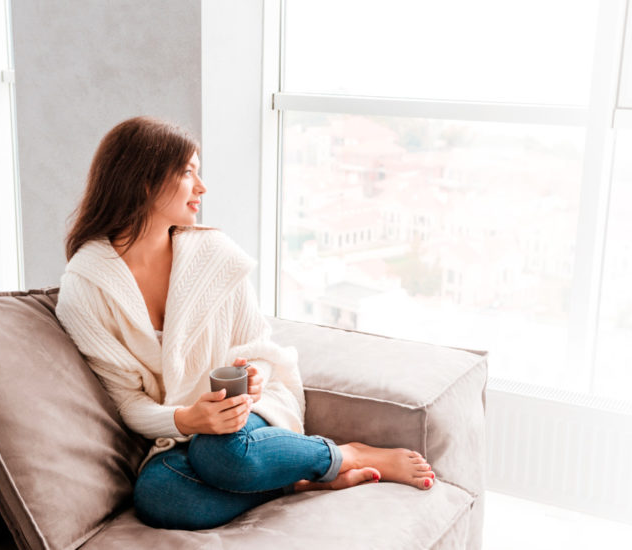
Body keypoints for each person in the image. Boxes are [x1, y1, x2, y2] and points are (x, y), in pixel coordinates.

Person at [55, 116, 435, 530]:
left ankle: (349, 454)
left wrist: (253, 376)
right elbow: (129, 402)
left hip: (252, 412)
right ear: (144, 181)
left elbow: (259, 347)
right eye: (188, 173)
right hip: (177, 430)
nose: (201, 188)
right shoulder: (87, 285)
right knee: (159, 496)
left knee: (218, 453)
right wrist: (186, 420)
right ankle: (297, 480)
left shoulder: (215, 255)